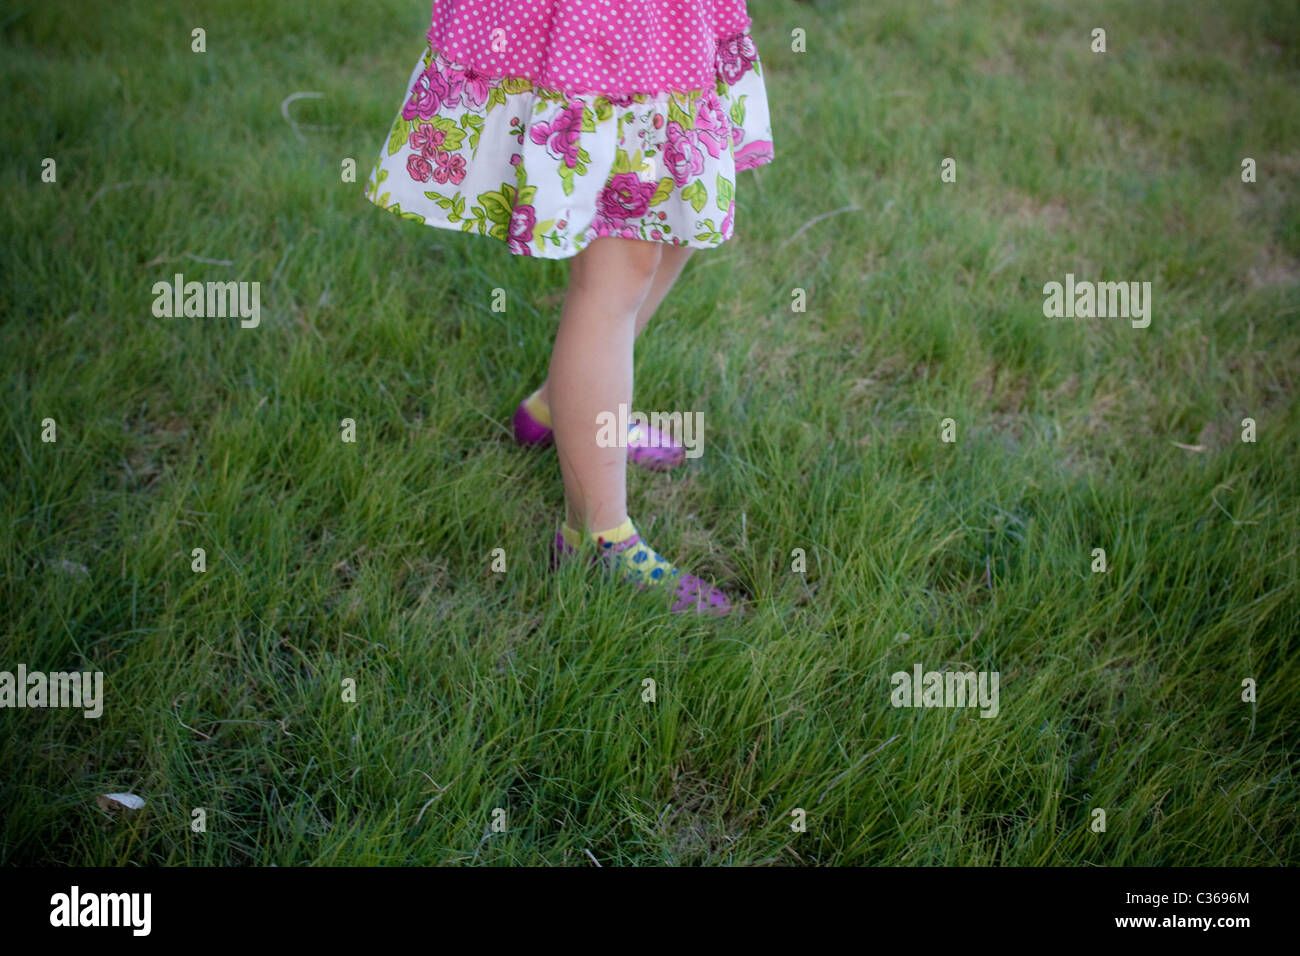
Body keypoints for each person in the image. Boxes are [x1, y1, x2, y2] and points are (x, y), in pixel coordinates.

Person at [365, 0, 775, 615]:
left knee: (677, 212)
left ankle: (566, 407)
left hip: (667, 21)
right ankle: (596, 536)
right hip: (609, 22)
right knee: (618, 270)